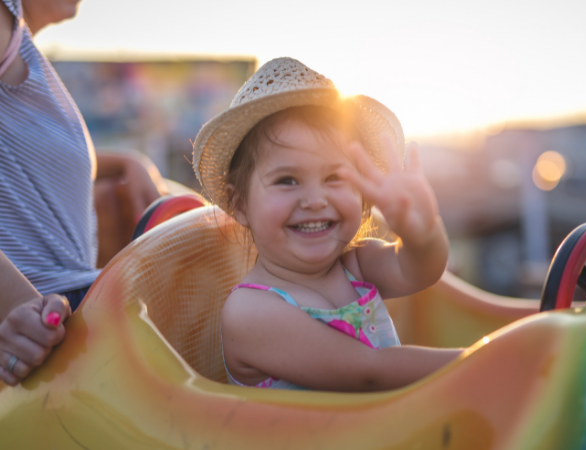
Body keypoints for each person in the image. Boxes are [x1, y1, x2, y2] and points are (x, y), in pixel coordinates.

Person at [193, 57, 463, 392]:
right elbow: (370, 372)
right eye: (288, 180)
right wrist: (487, 358)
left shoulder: (356, 264)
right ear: (239, 205)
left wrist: (421, 233)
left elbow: (422, 271)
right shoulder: (251, 311)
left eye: (334, 177)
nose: (315, 200)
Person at [0, 0, 164, 386]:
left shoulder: (21, 45)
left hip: (59, 304)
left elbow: (30, 158)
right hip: (41, 321)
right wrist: (18, 308)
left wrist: (125, 161)